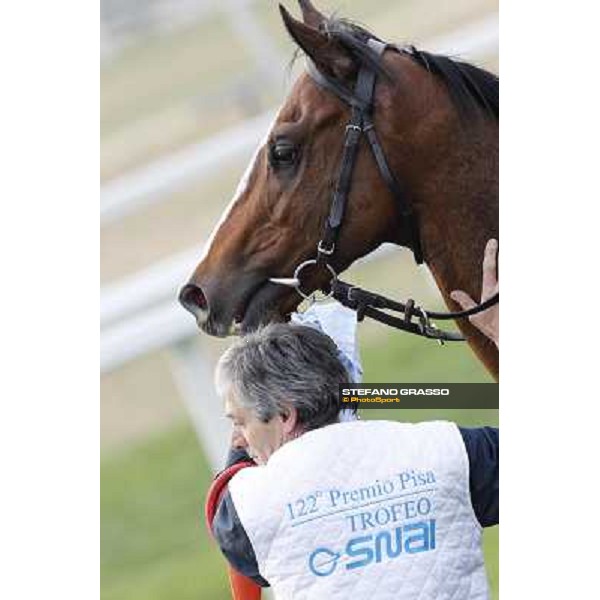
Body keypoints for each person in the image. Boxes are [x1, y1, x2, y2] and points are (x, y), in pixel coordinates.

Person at [205, 241, 499, 599]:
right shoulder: (452, 451)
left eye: (239, 422)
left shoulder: (246, 513)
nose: (238, 439)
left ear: (285, 415)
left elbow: (230, 515)